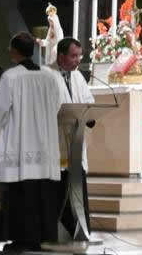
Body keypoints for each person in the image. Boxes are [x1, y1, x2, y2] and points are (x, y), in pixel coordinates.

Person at [0, 32, 61, 251]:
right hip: (44, 146)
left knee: (20, 194)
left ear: (14, 51)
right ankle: (40, 236)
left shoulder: (11, 77)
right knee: (41, 194)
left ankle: (19, 238)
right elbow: (56, 106)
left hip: (20, 145)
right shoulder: (49, 76)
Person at [47, 37, 95, 239]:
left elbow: (87, 101)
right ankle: (58, 231)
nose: (78, 60)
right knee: (58, 190)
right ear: (61, 56)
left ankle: (79, 229)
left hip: (75, 142)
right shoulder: (47, 76)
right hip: (56, 142)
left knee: (76, 184)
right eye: (73, 56)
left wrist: (90, 117)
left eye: (79, 56)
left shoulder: (78, 77)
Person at [36, 2, 64, 67]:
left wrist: (55, 50)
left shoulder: (59, 31)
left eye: (51, 21)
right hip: (49, 61)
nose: (50, 23)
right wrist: (41, 41)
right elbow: (47, 41)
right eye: (49, 22)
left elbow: (60, 43)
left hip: (55, 60)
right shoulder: (50, 30)